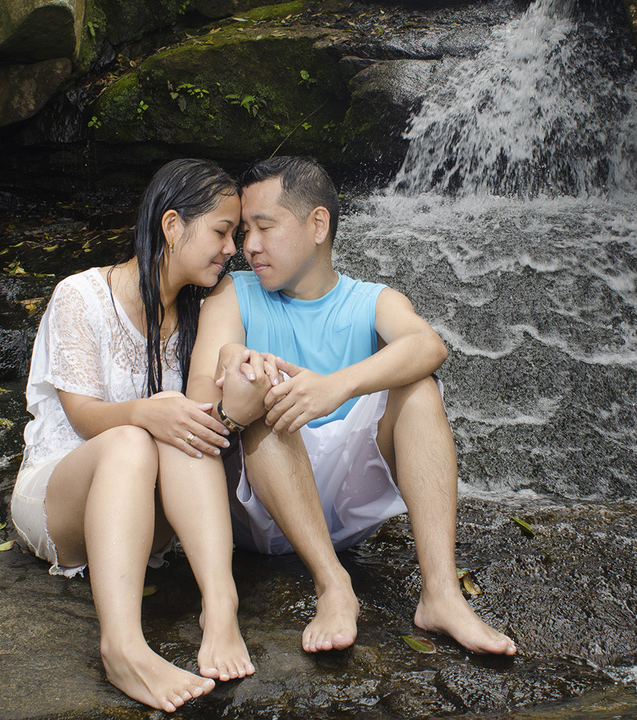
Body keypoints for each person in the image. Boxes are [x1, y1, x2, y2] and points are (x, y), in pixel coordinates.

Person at [187, 156, 517, 656]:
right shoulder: (235, 293)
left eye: (264, 227)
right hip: (262, 511)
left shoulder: (371, 300)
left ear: (318, 224)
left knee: (419, 387)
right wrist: (235, 374)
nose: (248, 245)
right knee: (264, 391)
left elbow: (428, 345)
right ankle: (333, 584)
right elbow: (198, 398)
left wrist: (335, 387)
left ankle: (441, 594)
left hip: (347, 513)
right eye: (244, 231)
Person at [10, 158, 264, 713]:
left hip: (148, 514)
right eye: (222, 232)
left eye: (236, 236)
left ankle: (220, 605)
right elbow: (82, 417)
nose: (233, 249)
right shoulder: (81, 295)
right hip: (64, 493)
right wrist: (149, 413)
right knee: (139, 434)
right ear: (172, 225)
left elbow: (206, 425)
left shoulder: (203, 311)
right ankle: (122, 648)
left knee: (188, 423)